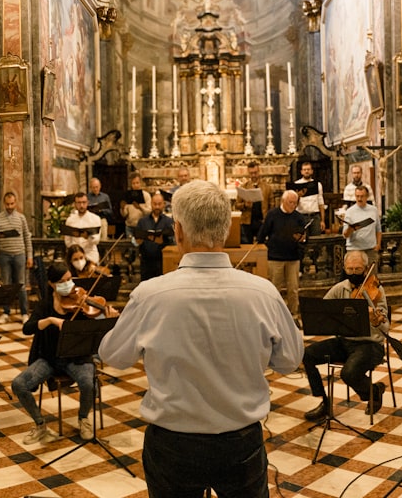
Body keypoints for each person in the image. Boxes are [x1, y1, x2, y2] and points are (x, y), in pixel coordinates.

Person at [98, 180, 303, 496]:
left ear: (177, 230)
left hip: (173, 444)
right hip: (240, 442)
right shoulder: (263, 293)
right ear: (224, 231)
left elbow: (114, 356)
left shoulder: (149, 295)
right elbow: (290, 360)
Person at [11, 262, 99, 444]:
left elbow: (97, 325)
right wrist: (50, 320)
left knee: (87, 383)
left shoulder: (80, 302)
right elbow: (27, 329)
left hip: (77, 358)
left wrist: (107, 314)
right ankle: (40, 424)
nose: (69, 285)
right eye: (63, 281)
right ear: (52, 284)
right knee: (19, 384)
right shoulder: (45, 306)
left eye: (70, 280)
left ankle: (84, 418)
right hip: (50, 359)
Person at [303, 250, 389, 421]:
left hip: (370, 345)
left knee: (348, 373)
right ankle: (325, 403)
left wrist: (375, 321)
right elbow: (322, 310)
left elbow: (386, 329)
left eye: (358, 269)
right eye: (350, 269)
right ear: (344, 268)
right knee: (307, 354)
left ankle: (374, 391)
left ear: (366, 269)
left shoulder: (375, 290)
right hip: (345, 342)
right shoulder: (339, 288)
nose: (354, 273)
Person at [258, 191, 307, 326]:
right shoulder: (273, 215)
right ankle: (273, 315)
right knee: (275, 288)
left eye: (295, 203)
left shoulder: (298, 217)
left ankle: (294, 315)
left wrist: (302, 239)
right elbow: (262, 235)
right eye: (290, 202)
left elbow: (303, 237)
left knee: (293, 289)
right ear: (283, 201)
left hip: (293, 257)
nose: (293, 205)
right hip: (275, 257)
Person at [0, 191, 34, 324]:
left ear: (16, 203)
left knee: (21, 284)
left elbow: (27, 237)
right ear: (4, 203)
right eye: (7, 204)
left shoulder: (21, 218)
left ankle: (24, 313)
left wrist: (30, 256)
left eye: (12, 203)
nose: (10, 206)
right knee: (7, 285)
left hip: (19, 254)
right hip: (4, 254)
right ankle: (6, 312)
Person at [137, 192, 175, 281]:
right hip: (146, 262)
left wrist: (164, 240)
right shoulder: (142, 221)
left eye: (159, 204)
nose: (157, 206)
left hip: (162, 261)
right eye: (155, 204)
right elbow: (136, 238)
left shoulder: (169, 221)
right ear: (151, 204)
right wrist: (138, 241)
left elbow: (173, 240)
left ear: (164, 204)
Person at [235, 160, 273, 244]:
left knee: (261, 244)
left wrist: (269, 219)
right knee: (247, 244)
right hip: (247, 220)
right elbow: (236, 205)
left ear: (259, 172)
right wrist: (245, 205)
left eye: (255, 173)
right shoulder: (244, 187)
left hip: (262, 220)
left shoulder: (267, 187)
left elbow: (272, 205)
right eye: (251, 173)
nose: (253, 175)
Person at [343, 185, 380, 264]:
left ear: (367, 197)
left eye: (362, 196)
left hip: (370, 250)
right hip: (354, 250)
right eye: (357, 196)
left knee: (371, 275)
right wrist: (350, 228)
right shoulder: (350, 212)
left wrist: (378, 244)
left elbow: (378, 229)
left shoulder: (374, 210)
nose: (359, 199)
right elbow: (345, 235)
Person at [64, 192, 102, 263]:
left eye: (84, 202)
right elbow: (68, 241)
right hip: (75, 256)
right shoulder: (70, 220)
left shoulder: (95, 219)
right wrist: (76, 251)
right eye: (79, 203)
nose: (81, 205)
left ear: (87, 203)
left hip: (90, 255)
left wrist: (88, 237)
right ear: (75, 204)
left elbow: (96, 240)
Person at [294, 161, 325, 236]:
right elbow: (294, 205)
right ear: (301, 172)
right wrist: (298, 196)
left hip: (315, 216)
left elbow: (321, 203)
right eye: (304, 170)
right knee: (303, 239)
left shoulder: (317, 184)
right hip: (302, 216)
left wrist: (322, 220)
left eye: (308, 169)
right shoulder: (297, 184)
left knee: (316, 240)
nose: (306, 171)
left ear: (311, 171)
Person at [120, 173, 151, 238]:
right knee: (130, 246)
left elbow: (150, 211)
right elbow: (124, 215)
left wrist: (140, 208)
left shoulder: (146, 195)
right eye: (133, 183)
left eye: (137, 183)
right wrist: (122, 208)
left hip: (142, 226)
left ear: (140, 183)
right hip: (130, 226)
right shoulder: (128, 196)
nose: (135, 185)